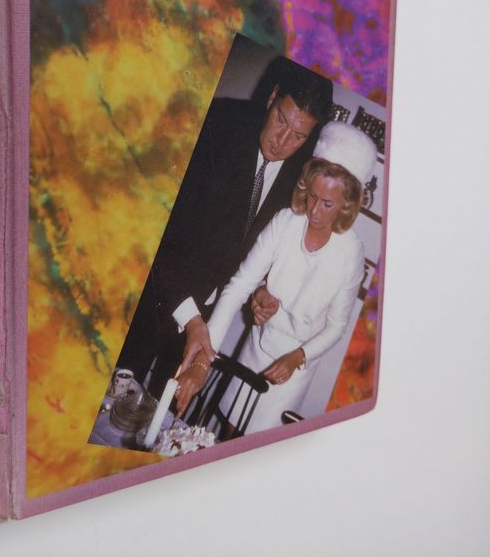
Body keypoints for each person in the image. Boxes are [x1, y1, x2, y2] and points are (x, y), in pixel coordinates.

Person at [115, 56, 333, 398]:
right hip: (152, 290)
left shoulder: (301, 176)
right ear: (272, 97)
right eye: (280, 120)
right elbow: (162, 230)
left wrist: (262, 288)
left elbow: (264, 246)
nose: (281, 142)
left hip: (209, 318)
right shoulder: (214, 125)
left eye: (298, 136)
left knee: (161, 411)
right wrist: (191, 319)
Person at [174, 121, 377, 432]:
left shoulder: (350, 254)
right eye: (312, 196)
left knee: (258, 443)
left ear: (347, 205)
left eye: (328, 204)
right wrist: (203, 361)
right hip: (256, 348)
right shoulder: (285, 222)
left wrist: (299, 356)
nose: (314, 211)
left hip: (296, 368)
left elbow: (336, 326)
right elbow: (239, 285)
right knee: (227, 428)